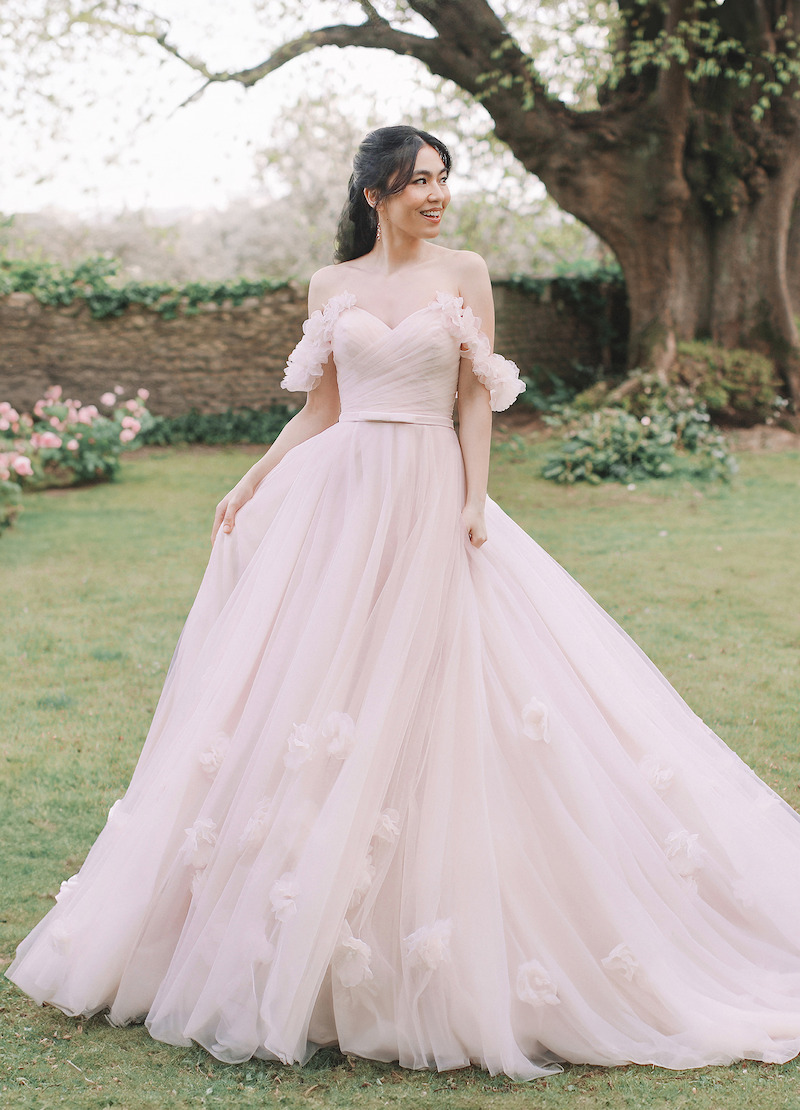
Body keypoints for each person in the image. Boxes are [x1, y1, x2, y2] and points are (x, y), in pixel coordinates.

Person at [7, 125, 800, 1082]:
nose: (437, 195)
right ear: (377, 192)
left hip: (429, 488)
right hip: (340, 503)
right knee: (317, 697)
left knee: (439, 689)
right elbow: (321, 409)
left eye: (443, 178)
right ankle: (297, 938)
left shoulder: (464, 273)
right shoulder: (330, 287)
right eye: (418, 181)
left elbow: (474, 400)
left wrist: (471, 500)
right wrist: (254, 480)